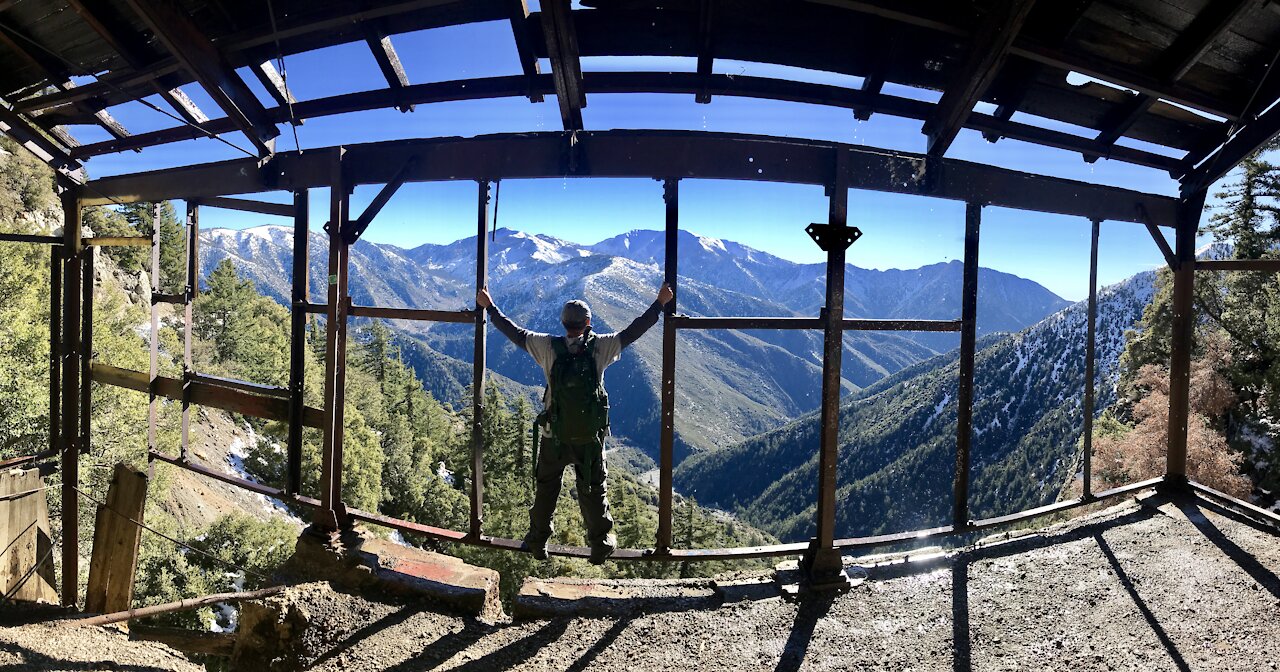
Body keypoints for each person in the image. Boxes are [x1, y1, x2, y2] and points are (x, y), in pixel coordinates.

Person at [477, 283, 674, 564]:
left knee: (547, 488)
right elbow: (632, 332)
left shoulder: (547, 346)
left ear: (563, 323)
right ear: (588, 323)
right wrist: (659, 304)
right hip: (590, 440)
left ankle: (538, 540)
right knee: (594, 489)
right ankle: (600, 543)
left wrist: (490, 307)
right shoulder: (601, 347)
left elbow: (515, 334)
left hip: (553, 435)